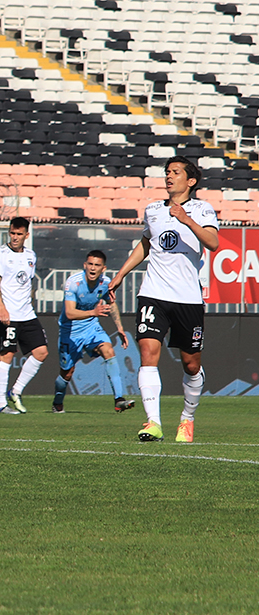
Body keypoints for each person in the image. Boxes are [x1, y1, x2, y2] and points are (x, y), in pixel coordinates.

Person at [107, 156, 218, 443]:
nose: (169, 176)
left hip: (187, 299)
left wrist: (186, 219)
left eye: (175, 172)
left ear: (190, 181)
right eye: (167, 172)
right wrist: (121, 274)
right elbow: (146, 243)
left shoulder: (202, 209)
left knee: (191, 365)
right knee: (147, 354)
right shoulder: (153, 210)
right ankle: (153, 422)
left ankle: (187, 419)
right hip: (153, 294)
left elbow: (213, 243)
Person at [53, 250, 134, 413]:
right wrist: (92, 312)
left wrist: (119, 328)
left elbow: (111, 304)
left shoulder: (105, 283)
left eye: (97, 265)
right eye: (90, 264)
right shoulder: (73, 283)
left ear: (103, 269)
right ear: (84, 265)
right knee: (67, 374)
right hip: (71, 332)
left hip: (91, 327)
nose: (92, 268)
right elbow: (69, 313)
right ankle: (57, 402)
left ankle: (119, 399)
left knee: (109, 350)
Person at [0, 217, 48, 414]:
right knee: (7, 355)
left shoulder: (31, 255)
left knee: (41, 352)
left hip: (27, 314)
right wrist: (2, 309)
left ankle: (16, 391)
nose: (15, 237)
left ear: (26, 235)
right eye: (12, 233)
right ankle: (0, 404)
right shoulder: (0, 253)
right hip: (8, 314)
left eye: (19, 234)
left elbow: (28, 284)